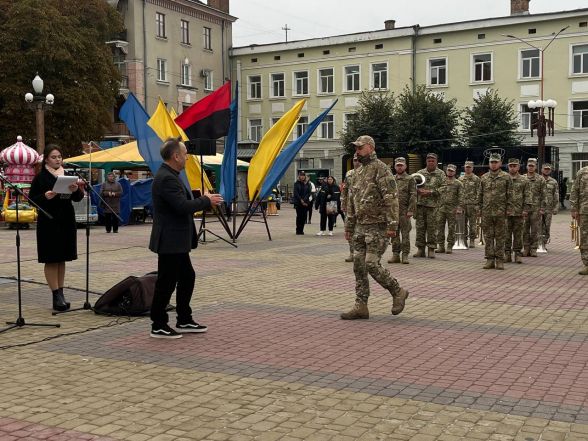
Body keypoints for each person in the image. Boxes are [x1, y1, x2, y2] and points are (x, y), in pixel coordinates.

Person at [149, 137, 223, 339]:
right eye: (184, 154)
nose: (187, 157)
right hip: (170, 240)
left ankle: (184, 318)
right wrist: (206, 200)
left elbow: (182, 202)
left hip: (176, 240)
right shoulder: (167, 178)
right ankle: (158, 324)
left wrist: (201, 198)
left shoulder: (171, 175)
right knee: (166, 282)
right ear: (175, 156)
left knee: (186, 277)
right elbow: (182, 206)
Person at [341, 135, 409, 320]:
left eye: (360, 147)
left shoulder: (381, 169)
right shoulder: (357, 172)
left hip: (378, 226)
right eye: (356, 148)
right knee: (359, 266)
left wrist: (392, 225)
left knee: (371, 264)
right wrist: (349, 226)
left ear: (370, 147)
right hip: (360, 227)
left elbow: (391, 199)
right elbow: (352, 202)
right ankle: (361, 306)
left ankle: (398, 291)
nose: (357, 151)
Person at [29, 145, 84, 311]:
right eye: (54, 157)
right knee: (51, 258)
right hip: (49, 221)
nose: (57, 159)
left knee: (62, 258)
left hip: (66, 220)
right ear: (46, 159)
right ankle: (55, 295)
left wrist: (76, 190)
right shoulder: (41, 177)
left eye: (59, 156)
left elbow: (78, 198)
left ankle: (61, 292)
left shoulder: (67, 175)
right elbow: (31, 199)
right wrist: (45, 196)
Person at [478, 153, 512, 270]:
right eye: (492, 162)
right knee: (488, 236)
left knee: (500, 237)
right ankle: (489, 259)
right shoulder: (484, 177)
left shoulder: (506, 177)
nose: (493, 164)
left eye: (496, 162)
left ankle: (500, 260)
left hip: (501, 212)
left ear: (500, 163)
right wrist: (479, 209)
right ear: (489, 163)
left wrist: (509, 209)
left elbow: (510, 195)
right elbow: (480, 195)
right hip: (487, 212)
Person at [414, 153, 447, 258]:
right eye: (429, 160)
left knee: (432, 228)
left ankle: (431, 249)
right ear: (426, 162)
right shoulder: (420, 173)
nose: (431, 162)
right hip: (420, 204)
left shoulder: (441, 173)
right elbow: (412, 185)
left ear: (436, 162)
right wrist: (418, 190)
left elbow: (444, 187)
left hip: (433, 206)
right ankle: (420, 249)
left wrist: (431, 192)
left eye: (433, 161)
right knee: (420, 227)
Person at [389, 157, 416, 264]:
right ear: (395, 167)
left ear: (405, 166)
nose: (399, 167)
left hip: (404, 211)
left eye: (401, 165)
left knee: (405, 234)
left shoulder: (410, 179)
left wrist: (410, 210)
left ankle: (405, 255)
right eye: (397, 165)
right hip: (393, 212)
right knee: (394, 234)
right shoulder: (392, 179)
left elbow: (413, 195)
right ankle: (395, 255)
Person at [505, 158, 529, 264]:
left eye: (515, 166)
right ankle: (507, 254)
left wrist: (525, 209)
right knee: (506, 233)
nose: (513, 167)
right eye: (511, 166)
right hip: (506, 211)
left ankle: (518, 254)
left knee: (518, 234)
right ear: (508, 167)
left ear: (518, 167)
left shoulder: (524, 180)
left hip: (519, 211)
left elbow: (528, 196)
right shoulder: (504, 178)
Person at [435, 164, 462, 254]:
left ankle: (450, 246)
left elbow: (461, 197)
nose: (450, 172)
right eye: (449, 170)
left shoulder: (458, 183)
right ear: (446, 171)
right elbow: (436, 193)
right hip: (441, 208)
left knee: (451, 228)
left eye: (452, 171)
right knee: (440, 227)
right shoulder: (441, 181)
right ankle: (441, 246)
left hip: (452, 209)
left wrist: (459, 208)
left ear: (455, 172)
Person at [523, 158, 546, 257]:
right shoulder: (522, 178)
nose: (531, 167)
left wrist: (542, 208)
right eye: (529, 166)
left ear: (536, 167)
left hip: (536, 208)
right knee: (524, 229)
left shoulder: (540, 179)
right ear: (526, 167)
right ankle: (526, 248)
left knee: (535, 229)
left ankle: (533, 249)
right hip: (525, 208)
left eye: (533, 166)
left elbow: (544, 194)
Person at [342, 155, 361, 262]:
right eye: (354, 160)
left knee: (362, 231)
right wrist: (343, 203)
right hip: (350, 207)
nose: (356, 162)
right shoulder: (349, 174)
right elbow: (345, 190)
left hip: (363, 208)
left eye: (358, 160)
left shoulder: (367, 173)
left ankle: (361, 253)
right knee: (350, 230)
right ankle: (352, 253)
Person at [570, 165, 588, 275]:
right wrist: (574, 209)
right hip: (584, 210)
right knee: (585, 237)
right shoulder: (583, 171)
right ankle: (587, 264)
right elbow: (574, 190)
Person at [458, 160, 481, 248]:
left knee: (473, 224)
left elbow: (479, 192)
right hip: (463, 204)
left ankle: (472, 240)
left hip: (472, 205)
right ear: (464, 167)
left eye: (469, 167)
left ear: (472, 168)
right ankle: (464, 240)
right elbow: (458, 192)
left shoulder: (476, 179)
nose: (467, 169)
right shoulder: (460, 179)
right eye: (466, 167)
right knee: (463, 223)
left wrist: (478, 205)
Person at [541, 163, 559, 247]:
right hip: (538, 208)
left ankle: (543, 244)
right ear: (542, 170)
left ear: (550, 171)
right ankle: (536, 244)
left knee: (546, 226)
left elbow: (556, 195)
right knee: (537, 227)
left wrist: (556, 207)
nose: (546, 170)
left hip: (548, 208)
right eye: (545, 169)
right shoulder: (538, 179)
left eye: (548, 169)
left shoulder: (553, 182)